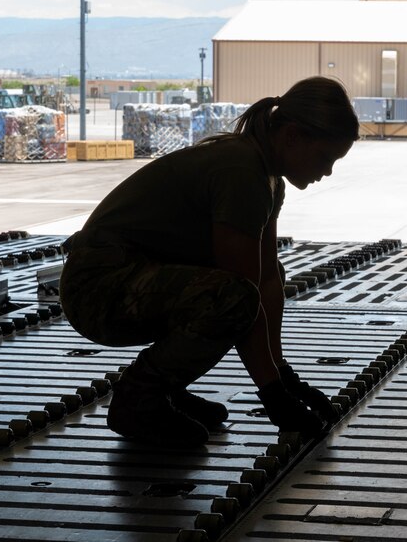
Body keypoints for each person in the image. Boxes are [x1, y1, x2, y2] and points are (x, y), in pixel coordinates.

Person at [59, 76, 360, 448]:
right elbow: (243, 294)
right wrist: (274, 397)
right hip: (96, 288)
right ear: (293, 136)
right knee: (229, 297)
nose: (327, 171)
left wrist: (283, 377)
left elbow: (265, 278)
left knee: (260, 279)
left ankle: (163, 389)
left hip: (126, 278)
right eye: (325, 157)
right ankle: (139, 399)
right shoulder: (240, 171)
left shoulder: (266, 178)